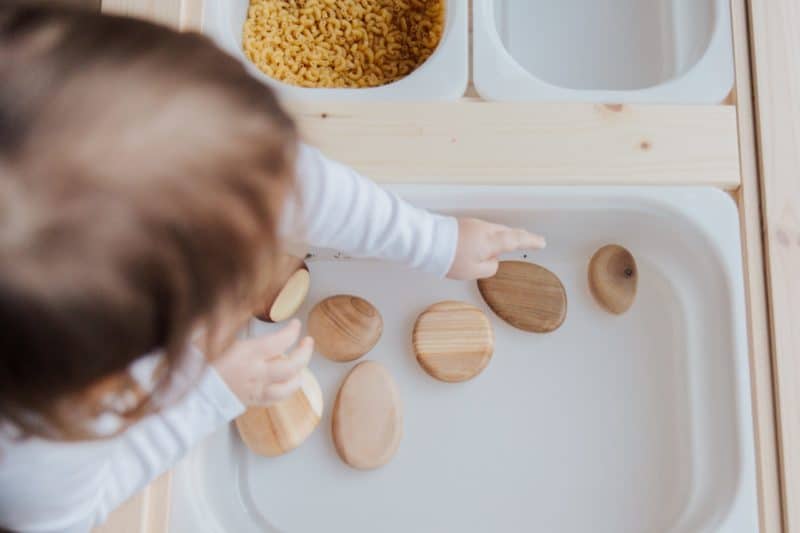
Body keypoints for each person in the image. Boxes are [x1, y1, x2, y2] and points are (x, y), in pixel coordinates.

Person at [0, 5, 544, 532]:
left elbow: (284, 182)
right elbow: (73, 514)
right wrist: (207, 391)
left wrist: (433, 241)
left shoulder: (146, 142)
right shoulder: (36, 456)